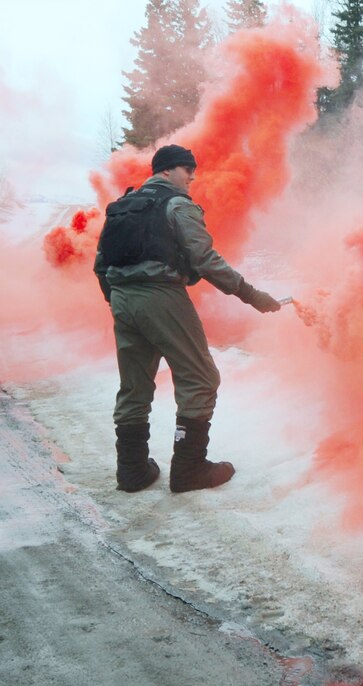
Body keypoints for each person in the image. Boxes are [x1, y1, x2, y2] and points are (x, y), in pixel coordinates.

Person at [93, 144, 281, 493]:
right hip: (160, 296)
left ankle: (132, 471)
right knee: (200, 377)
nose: (192, 177)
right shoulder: (176, 204)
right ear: (167, 170)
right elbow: (205, 259)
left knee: (134, 385)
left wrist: (119, 300)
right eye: (186, 169)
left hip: (122, 299)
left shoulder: (122, 207)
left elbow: (101, 265)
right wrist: (252, 296)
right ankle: (189, 469)